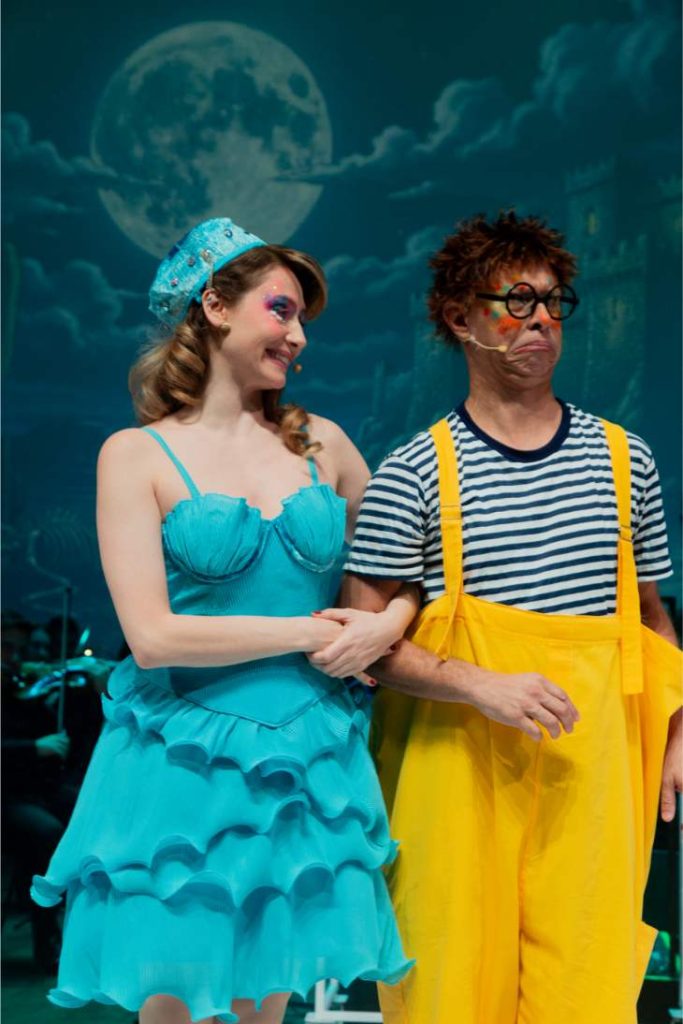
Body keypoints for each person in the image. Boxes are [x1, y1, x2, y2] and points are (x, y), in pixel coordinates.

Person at [31, 218, 415, 1024]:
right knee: (177, 1007)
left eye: (303, 318)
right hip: (185, 763)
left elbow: (406, 571)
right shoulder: (135, 455)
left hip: (305, 764)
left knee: (263, 1010)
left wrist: (388, 624)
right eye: (281, 309)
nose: (298, 335)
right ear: (213, 306)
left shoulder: (325, 446)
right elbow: (152, 637)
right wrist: (312, 634)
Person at [314, 211, 682, 1024]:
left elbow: (651, 619)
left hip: (592, 776)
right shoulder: (413, 472)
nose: (540, 318)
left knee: (586, 994)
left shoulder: (627, 461)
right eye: (516, 301)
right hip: (453, 772)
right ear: (458, 318)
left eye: (552, 301)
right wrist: (480, 684)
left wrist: (676, 734)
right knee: (447, 988)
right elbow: (357, 644)